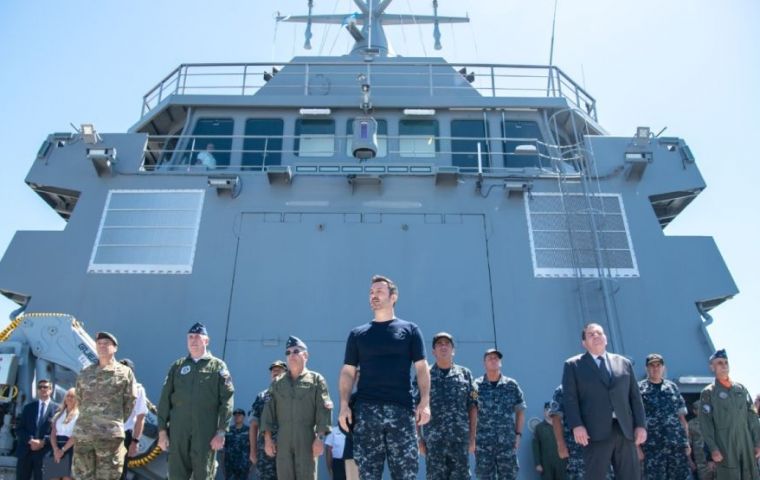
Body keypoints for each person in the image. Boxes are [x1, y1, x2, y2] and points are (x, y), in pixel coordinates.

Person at [338, 275, 431, 480]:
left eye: (379, 291)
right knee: (368, 475)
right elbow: (348, 372)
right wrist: (344, 405)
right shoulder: (358, 334)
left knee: (406, 475)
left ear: (393, 296)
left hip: (401, 412)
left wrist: (425, 402)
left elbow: (422, 368)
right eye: (371, 292)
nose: (374, 296)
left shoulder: (410, 330)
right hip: (367, 414)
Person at [561, 323, 647, 480]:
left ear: (606, 339)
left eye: (599, 333)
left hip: (624, 429)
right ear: (584, 343)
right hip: (594, 431)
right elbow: (570, 399)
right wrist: (577, 425)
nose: (596, 336)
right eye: (591, 334)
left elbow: (635, 397)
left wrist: (641, 425)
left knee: (631, 475)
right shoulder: (573, 365)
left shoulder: (623, 363)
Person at [157, 322, 235, 480]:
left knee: (204, 474)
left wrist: (221, 432)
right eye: (190, 337)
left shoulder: (218, 366)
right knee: (176, 475)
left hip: (205, 432)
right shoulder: (177, 366)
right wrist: (162, 432)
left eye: (197, 337)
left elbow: (227, 400)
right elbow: (165, 400)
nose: (193, 340)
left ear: (206, 341)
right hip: (179, 431)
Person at [261, 336, 332, 480]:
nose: (291, 355)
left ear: (305, 355)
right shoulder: (277, 383)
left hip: (307, 438)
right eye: (288, 352)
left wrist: (320, 438)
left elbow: (323, 410)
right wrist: (268, 440)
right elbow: (267, 412)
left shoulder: (316, 380)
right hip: (283, 439)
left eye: (295, 351)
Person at [72, 331, 137, 480]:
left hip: (109, 436)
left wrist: (112, 420)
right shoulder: (85, 372)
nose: (102, 346)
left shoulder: (125, 373)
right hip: (84, 435)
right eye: (99, 344)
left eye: (106, 344)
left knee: (108, 476)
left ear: (115, 348)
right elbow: (80, 398)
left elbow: (129, 402)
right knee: (82, 476)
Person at [417, 332, 477, 480]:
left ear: (453, 350)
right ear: (433, 351)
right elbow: (415, 407)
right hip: (434, 442)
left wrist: (472, 437)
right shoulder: (425, 375)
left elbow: (473, 407)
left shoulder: (465, 374)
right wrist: (418, 438)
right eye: (439, 344)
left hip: (459, 441)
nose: (443, 346)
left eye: (447, 344)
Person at [698, 348, 760, 479]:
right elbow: (705, 423)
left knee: (750, 474)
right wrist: (713, 448)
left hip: (746, 443)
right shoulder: (708, 393)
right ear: (712, 367)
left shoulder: (741, 389)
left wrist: (757, 443)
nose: (724, 365)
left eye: (726, 362)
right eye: (719, 363)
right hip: (725, 446)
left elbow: (752, 417)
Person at [474, 347, 526, 480]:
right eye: (490, 358)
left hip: (507, 443)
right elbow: (472, 411)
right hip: (483, 444)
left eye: (496, 358)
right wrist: (472, 438)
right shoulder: (475, 386)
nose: (493, 360)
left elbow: (520, 410)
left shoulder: (511, 385)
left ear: (500, 362)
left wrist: (518, 434)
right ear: (484, 363)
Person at [637, 353, 691, 480]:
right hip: (652, 448)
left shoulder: (672, 387)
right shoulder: (639, 389)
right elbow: (634, 421)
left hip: (676, 446)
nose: (655, 368)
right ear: (646, 368)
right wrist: (637, 448)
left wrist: (686, 442)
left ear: (663, 368)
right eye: (652, 366)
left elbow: (682, 418)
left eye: (658, 365)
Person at [250, 360, 287, 480]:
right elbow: (254, 425)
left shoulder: (292, 396)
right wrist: (253, 451)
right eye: (273, 370)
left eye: (279, 369)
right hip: (265, 451)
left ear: (286, 373)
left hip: (287, 449)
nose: (275, 371)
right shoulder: (262, 396)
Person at [16, 379, 58, 480]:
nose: (43, 389)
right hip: (26, 452)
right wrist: (31, 440)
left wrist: (43, 441)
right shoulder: (28, 408)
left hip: (46, 453)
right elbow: (19, 429)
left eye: (45, 387)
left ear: (51, 390)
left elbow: (59, 433)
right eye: (40, 387)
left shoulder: (58, 410)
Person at [118, 358, 147, 480]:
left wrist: (135, 441)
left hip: (123, 435)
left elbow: (140, 418)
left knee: (119, 472)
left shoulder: (138, 389)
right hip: (105, 432)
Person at [46, 388, 78, 480]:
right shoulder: (58, 414)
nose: (69, 398)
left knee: (67, 478)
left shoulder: (79, 415)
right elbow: (53, 433)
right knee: (53, 477)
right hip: (56, 448)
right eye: (67, 396)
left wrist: (62, 450)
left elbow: (75, 436)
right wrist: (56, 449)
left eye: (72, 396)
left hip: (71, 449)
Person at [533, 401, 566, 480]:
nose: (549, 412)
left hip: (561, 463)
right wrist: (537, 463)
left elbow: (568, 444)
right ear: (544, 411)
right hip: (546, 464)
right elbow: (536, 447)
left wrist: (568, 462)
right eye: (547, 409)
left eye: (551, 409)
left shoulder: (563, 427)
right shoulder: (539, 428)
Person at [689, 400, 715, 480]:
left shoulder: (715, 422)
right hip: (701, 462)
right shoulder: (690, 425)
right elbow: (687, 445)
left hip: (717, 460)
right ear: (694, 411)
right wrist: (690, 462)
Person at [221, 408, 251, 480]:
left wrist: (251, 467)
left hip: (243, 466)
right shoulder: (228, 430)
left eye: (239, 415)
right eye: (235, 415)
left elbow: (253, 448)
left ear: (243, 417)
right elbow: (223, 449)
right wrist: (222, 465)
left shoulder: (249, 431)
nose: (237, 417)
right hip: (230, 465)